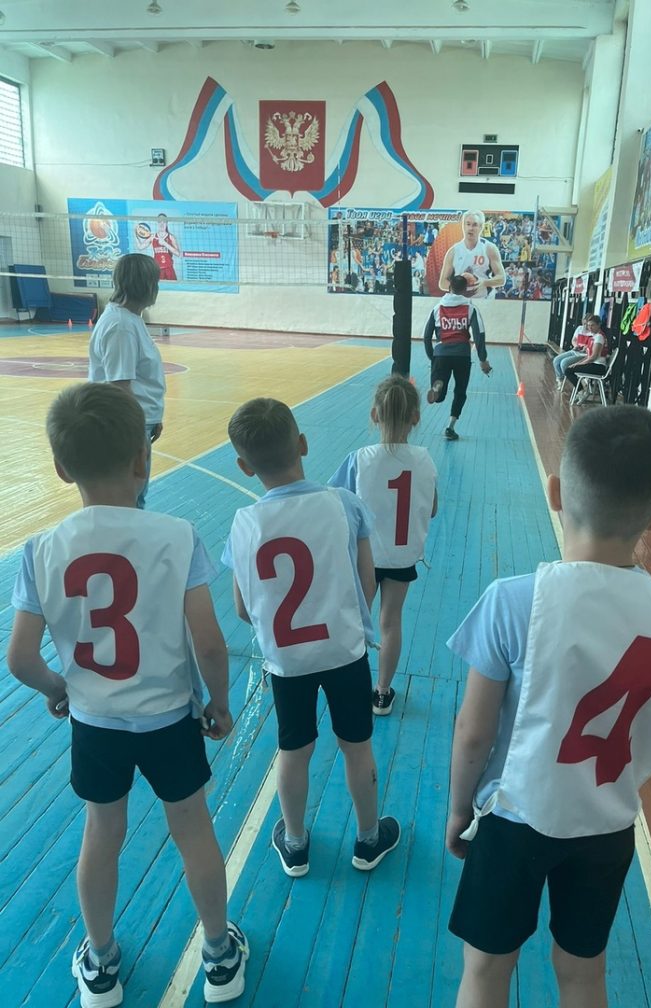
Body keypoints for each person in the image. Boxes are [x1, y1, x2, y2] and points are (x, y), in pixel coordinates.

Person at [444, 405, 651, 1008]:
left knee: (486, 969)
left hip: (514, 819)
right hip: (605, 823)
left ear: (555, 492)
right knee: (583, 970)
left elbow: (473, 732)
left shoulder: (513, 602)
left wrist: (459, 807)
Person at [6, 382, 247, 1007]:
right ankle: (220, 955)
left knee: (102, 832)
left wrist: (60, 689)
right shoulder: (177, 535)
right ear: (143, 458)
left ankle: (101, 963)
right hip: (168, 720)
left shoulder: (41, 549)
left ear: (61, 469)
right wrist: (219, 703)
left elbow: (21, 658)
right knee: (192, 829)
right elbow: (210, 643)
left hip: (96, 724)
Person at [223, 398, 400, 878]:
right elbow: (367, 582)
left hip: (288, 663)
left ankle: (295, 843)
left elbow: (241, 608)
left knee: (294, 750)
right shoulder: (343, 503)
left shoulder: (243, 524)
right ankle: (369, 838)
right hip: (345, 652)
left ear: (244, 466)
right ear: (302, 443)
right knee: (356, 746)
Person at [328, 376, 438, 716]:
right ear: (415, 417)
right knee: (391, 622)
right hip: (402, 557)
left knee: (357, 621)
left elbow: (334, 502)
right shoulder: (425, 460)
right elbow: (432, 508)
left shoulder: (359, 459)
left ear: (374, 415)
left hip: (365, 556)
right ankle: (382, 692)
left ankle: (351, 687)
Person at [88, 253, 165, 509]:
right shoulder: (121, 326)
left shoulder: (130, 318)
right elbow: (120, 389)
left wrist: (153, 417)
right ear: (146, 285)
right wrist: (136, 430)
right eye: (155, 281)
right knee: (129, 499)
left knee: (134, 497)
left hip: (138, 422)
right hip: (126, 426)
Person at [424, 274, 492, 440]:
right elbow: (479, 335)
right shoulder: (471, 308)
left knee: (439, 397)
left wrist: (432, 357)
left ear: (449, 288)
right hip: (462, 355)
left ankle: (437, 388)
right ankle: (450, 427)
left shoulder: (437, 307)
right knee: (460, 391)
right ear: (465, 289)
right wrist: (483, 360)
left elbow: (426, 336)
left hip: (441, 354)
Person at [439, 210, 505, 299]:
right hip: (460, 300)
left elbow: (501, 278)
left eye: (475, 225)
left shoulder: (489, 248)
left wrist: (485, 282)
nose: (471, 228)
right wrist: (459, 288)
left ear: (481, 227)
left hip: (484, 299)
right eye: (468, 224)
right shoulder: (453, 251)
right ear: (463, 226)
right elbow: (442, 283)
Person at [564, 319, 610, 404]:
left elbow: (593, 357)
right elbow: (588, 356)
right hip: (593, 364)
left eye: (592, 325)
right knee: (569, 369)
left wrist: (579, 364)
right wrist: (577, 363)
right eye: (588, 325)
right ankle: (582, 392)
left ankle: (582, 392)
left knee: (568, 371)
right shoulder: (594, 337)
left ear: (598, 325)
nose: (590, 327)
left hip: (598, 367)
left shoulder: (599, 337)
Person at [553, 314, 600, 388]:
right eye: (584, 324)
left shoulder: (594, 333)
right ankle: (560, 379)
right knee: (556, 360)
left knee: (564, 363)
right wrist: (576, 346)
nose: (586, 326)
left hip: (583, 355)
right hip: (575, 351)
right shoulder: (580, 328)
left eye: (588, 325)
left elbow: (592, 348)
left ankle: (574, 381)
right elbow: (573, 340)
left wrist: (586, 348)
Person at [136, 213, 181, 281]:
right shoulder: (153, 237)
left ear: (167, 223)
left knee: (173, 286)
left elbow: (178, 253)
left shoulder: (171, 237)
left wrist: (165, 243)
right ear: (157, 223)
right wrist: (136, 235)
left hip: (169, 269)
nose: (162, 224)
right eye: (160, 221)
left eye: (164, 221)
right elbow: (140, 247)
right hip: (157, 269)